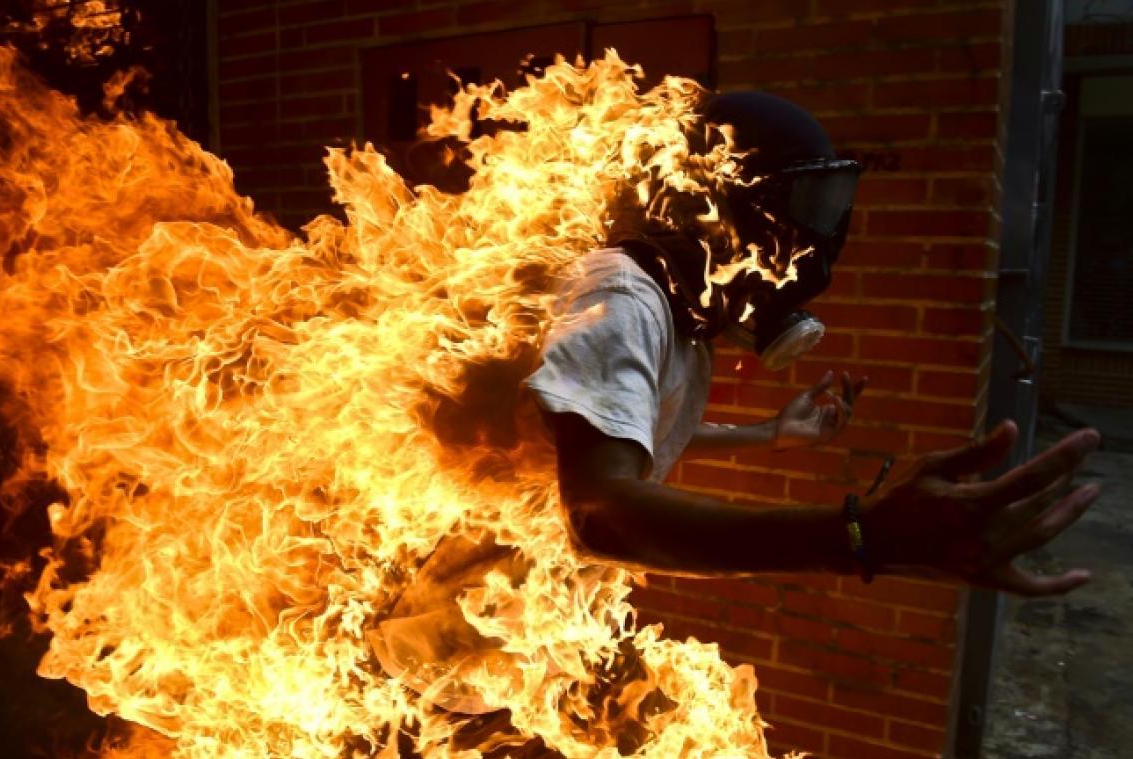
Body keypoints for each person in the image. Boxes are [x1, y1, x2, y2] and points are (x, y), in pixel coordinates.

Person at [369, 90, 1102, 741]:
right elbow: (602, 509)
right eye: (808, 208)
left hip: (535, 637)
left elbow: (623, 436)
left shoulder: (688, 318)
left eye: (833, 207)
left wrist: (767, 434)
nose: (822, 237)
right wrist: (860, 534)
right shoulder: (624, 297)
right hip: (449, 652)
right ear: (720, 204)